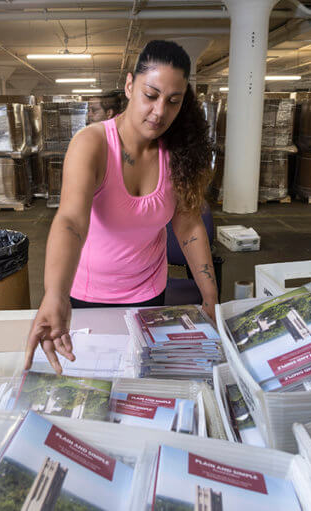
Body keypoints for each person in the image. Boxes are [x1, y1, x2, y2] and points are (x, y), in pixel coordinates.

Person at [26, 40, 216, 374]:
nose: (160, 112)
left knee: (137, 380)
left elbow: (188, 225)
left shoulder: (179, 153)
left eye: (173, 101)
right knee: (90, 379)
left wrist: (210, 297)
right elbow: (71, 220)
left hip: (148, 296)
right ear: (130, 86)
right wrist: (55, 294)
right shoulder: (94, 144)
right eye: (151, 95)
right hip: (87, 295)